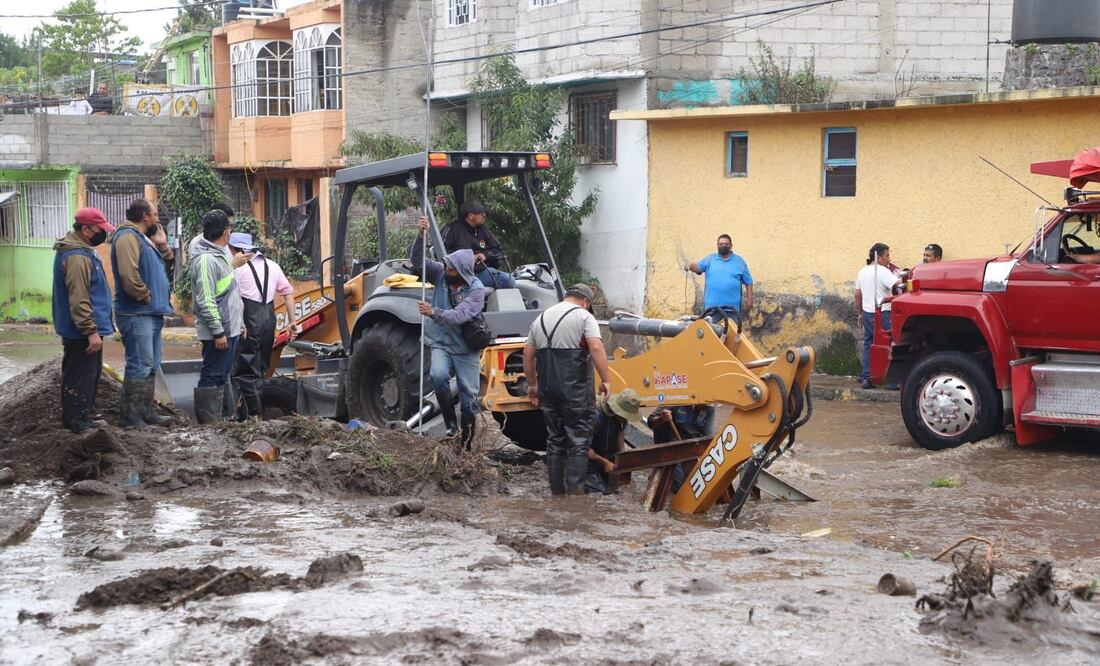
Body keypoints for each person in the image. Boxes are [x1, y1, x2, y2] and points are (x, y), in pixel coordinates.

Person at [523, 283, 613, 495]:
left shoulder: (540, 318)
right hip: (575, 390)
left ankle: (557, 493)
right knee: (579, 441)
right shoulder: (584, 316)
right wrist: (606, 379)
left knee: (555, 440)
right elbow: (596, 347)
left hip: (548, 389)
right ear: (585, 302)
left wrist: (533, 386)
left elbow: (528, 355)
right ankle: (575, 498)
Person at [412, 216, 486, 448]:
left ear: (462, 271)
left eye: (452, 267)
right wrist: (420, 236)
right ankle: (450, 425)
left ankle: (465, 444)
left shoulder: (476, 290)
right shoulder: (441, 273)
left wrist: (433, 312)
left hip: (465, 349)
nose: (447, 268)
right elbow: (417, 262)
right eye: (447, 264)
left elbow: (459, 316)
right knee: (438, 376)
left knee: (469, 400)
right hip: (441, 344)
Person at [111, 197, 174, 429]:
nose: (157, 219)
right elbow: (129, 275)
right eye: (155, 215)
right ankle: (131, 417)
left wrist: (162, 244)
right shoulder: (127, 237)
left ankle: (146, 413)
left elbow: (166, 263)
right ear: (145, 217)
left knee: (151, 363)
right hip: (137, 312)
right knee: (140, 363)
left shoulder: (144, 239)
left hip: (151, 312)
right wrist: (144, 295)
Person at [52, 208, 116, 434]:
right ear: (86, 229)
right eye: (100, 230)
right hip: (81, 331)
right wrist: (90, 331)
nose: (103, 234)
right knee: (80, 375)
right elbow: (79, 297)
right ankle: (76, 421)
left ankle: (82, 416)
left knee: (89, 375)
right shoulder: (77, 256)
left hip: (85, 328)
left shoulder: (83, 251)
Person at [228, 232, 297, 419]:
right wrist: (292, 321)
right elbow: (288, 292)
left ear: (236, 250)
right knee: (260, 369)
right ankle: (254, 415)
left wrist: (240, 323)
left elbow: (235, 299)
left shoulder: (236, 270)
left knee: (244, 371)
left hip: (249, 320)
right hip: (269, 320)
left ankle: (253, 417)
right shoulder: (272, 265)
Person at [190, 210, 247, 424]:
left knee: (222, 375)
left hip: (230, 328)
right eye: (229, 228)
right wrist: (218, 332)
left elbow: (231, 291)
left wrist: (239, 323)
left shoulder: (221, 254)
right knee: (212, 375)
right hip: (219, 332)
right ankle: (209, 424)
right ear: (225, 232)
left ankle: (224, 421)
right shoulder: (206, 260)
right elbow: (206, 300)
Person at [855, 243, 902, 389]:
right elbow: (899, 285)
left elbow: (857, 295)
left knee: (870, 344)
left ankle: (867, 377)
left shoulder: (862, 271)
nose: (889, 259)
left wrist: (860, 313)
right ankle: (892, 381)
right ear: (879, 257)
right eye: (887, 255)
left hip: (868, 313)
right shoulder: (882, 271)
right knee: (891, 344)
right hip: (884, 313)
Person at [441, 199, 516, 289]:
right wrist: (466, 260)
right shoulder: (452, 229)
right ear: (471, 216)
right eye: (481, 213)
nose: (484, 215)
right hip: (461, 276)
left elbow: (497, 249)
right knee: (508, 281)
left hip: (482, 272)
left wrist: (485, 255)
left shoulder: (482, 230)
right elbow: (442, 252)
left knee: (510, 279)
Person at [685, 233, 754, 326]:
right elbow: (698, 268)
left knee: (731, 338)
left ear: (731, 246)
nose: (723, 246)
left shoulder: (739, 262)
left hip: (732, 311)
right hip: (712, 310)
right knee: (711, 338)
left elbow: (748, 282)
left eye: (726, 244)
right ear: (717, 245)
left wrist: (749, 299)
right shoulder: (709, 259)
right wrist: (690, 265)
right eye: (721, 244)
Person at [588, 389, 644, 494]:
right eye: (625, 416)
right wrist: (605, 462)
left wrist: (624, 461)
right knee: (600, 493)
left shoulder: (621, 420)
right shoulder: (596, 417)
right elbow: (583, 449)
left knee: (618, 491)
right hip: (589, 462)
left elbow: (620, 442)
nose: (625, 419)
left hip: (607, 459)